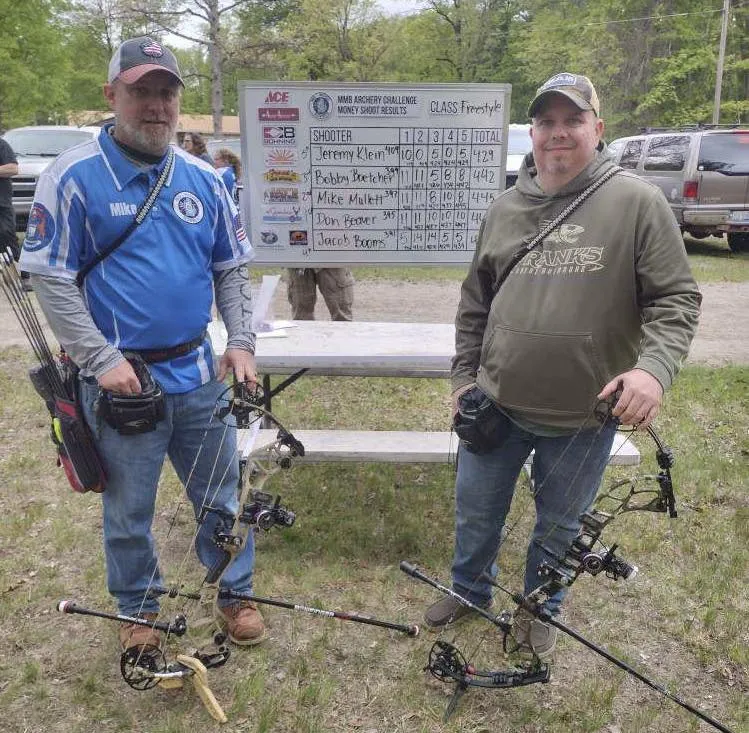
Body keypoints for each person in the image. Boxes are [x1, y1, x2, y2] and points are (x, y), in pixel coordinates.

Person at [423, 72, 701, 659]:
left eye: (572, 120)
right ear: (532, 132)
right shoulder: (504, 209)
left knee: (559, 528)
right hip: (495, 403)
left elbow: (677, 299)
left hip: (583, 416)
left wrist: (652, 371)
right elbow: (475, 303)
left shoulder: (635, 202)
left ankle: (537, 610)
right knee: (476, 516)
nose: (558, 133)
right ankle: (469, 589)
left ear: (597, 129)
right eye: (546, 122)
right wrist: (462, 381)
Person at [19, 36, 266, 652]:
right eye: (141, 91)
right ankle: (139, 612)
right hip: (121, 386)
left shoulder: (206, 179)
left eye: (166, 92)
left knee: (221, 495)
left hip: (197, 375)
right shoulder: (72, 176)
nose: (156, 106)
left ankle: (233, 593)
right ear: (112, 95)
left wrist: (240, 341)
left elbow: (231, 267)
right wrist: (101, 361)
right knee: (130, 513)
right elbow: (49, 278)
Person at [286, 267, 355, 321]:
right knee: (301, 318)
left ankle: (342, 339)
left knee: (342, 317)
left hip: (332, 257)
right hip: (298, 258)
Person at [0, 136, 19, 260]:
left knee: (6, 234)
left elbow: (13, 168)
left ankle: (16, 268)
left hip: (1, 203)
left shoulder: (1, 145)